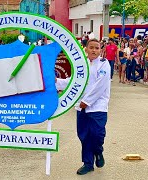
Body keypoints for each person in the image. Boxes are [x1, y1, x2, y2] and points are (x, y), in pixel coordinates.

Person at [56, 39, 111, 175]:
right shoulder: (81, 65)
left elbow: (100, 85)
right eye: (91, 47)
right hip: (81, 106)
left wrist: (87, 101)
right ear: (85, 49)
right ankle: (87, 164)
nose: (94, 50)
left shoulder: (104, 64)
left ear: (100, 50)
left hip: (98, 106)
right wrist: (57, 82)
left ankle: (98, 150)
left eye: (97, 48)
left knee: (97, 134)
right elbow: (73, 81)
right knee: (84, 135)